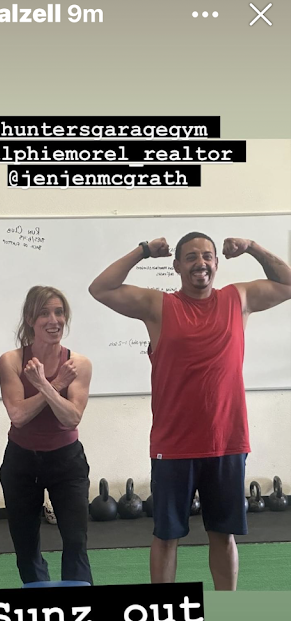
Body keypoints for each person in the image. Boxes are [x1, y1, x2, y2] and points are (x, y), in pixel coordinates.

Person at [89, 233, 291, 589]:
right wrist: (143, 251)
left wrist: (252, 248)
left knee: (223, 534)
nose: (201, 263)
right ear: (177, 266)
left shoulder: (238, 299)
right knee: (167, 536)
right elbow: (101, 289)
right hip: (174, 445)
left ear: (217, 263)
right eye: (192, 256)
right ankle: (165, 613)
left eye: (208, 256)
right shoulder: (158, 306)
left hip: (226, 442)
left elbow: (288, 283)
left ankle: (228, 611)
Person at [0, 286, 93, 585]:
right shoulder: (12, 361)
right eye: (44, 313)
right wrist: (53, 385)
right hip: (21, 461)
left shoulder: (78, 364)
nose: (54, 320)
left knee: (76, 542)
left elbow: (71, 418)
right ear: (30, 319)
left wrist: (46, 384)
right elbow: (18, 416)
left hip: (67, 461)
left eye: (59, 312)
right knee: (26, 546)